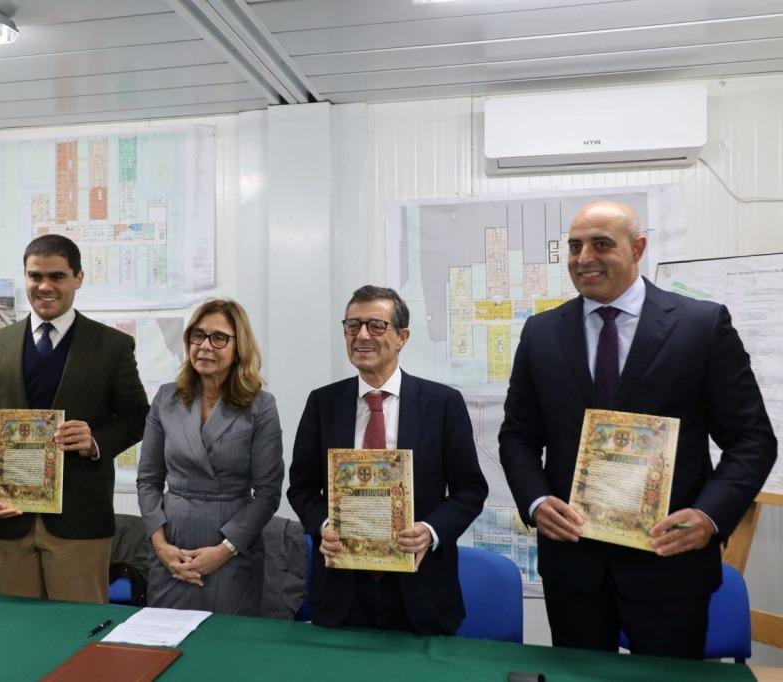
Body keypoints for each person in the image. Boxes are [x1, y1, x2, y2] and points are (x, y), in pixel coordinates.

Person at [499, 199, 777, 659]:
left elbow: (752, 440)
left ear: (638, 248)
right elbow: (517, 436)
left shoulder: (700, 326)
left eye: (600, 244)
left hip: (669, 562)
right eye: (575, 246)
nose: (584, 258)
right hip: (574, 565)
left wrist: (708, 517)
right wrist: (536, 501)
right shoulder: (541, 333)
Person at [0, 234, 149, 604]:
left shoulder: (111, 346)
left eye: (57, 276)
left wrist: (96, 441)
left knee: (77, 630)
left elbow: (138, 416)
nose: (45, 286)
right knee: (16, 629)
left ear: (78, 278)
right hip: (10, 521)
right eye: (35, 276)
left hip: (79, 523)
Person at [287, 285, 487, 634]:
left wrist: (430, 531)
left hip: (421, 588)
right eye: (353, 325)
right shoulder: (323, 403)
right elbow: (301, 487)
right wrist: (324, 526)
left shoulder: (442, 404)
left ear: (401, 337)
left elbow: (470, 491)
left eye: (376, 326)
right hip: (341, 589)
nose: (362, 335)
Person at [137, 299, 284, 615]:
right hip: (172, 545)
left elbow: (268, 494)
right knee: (166, 635)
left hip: (231, 545)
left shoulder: (261, 406)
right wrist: (160, 546)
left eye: (219, 338)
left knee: (226, 640)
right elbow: (148, 480)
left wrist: (223, 551)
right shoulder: (166, 398)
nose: (205, 346)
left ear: (239, 347)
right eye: (198, 335)